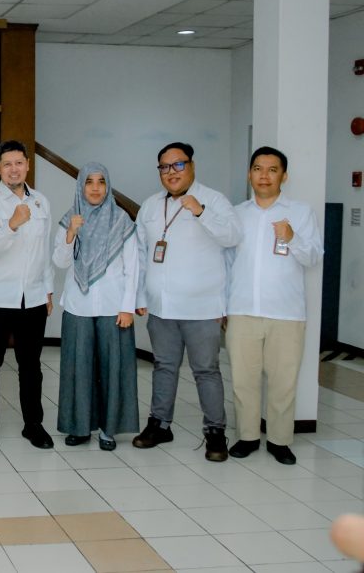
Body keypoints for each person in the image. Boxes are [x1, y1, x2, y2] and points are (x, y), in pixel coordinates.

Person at [134, 141, 241, 462]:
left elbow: (233, 237)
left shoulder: (214, 200)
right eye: (164, 167)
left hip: (203, 307)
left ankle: (215, 432)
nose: (171, 172)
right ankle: (159, 424)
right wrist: (139, 295)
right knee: (163, 367)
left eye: (178, 165)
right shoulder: (150, 206)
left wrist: (201, 212)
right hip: (162, 306)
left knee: (206, 370)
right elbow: (140, 254)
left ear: (192, 166)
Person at [225, 146, 322, 465]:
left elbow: (313, 257)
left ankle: (280, 441)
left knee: (283, 382)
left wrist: (292, 237)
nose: (264, 175)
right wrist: (223, 307)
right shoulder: (237, 213)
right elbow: (227, 263)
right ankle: (248, 436)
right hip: (242, 310)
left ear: (284, 175)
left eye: (272, 169)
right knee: (244, 380)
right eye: (257, 169)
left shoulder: (301, 212)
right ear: (249, 174)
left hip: (286, 313)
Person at [0, 140, 54, 451]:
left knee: (30, 365)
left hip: (32, 298)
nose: (14, 169)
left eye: (19, 162)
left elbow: (44, 251)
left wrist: (47, 290)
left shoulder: (41, 201)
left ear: (28, 165)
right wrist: (12, 224)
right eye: (7, 164)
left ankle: (33, 424)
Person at [53, 163, 139, 451]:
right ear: (80, 186)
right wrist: (71, 233)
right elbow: (60, 262)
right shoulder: (70, 219)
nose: (95, 188)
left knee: (113, 369)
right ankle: (79, 427)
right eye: (89, 182)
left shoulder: (122, 221)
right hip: (78, 305)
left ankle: (108, 429)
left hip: (114, 307)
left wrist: (128, 307)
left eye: (101, 182)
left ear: (108, 186)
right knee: (78, 368)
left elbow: (132, 268)